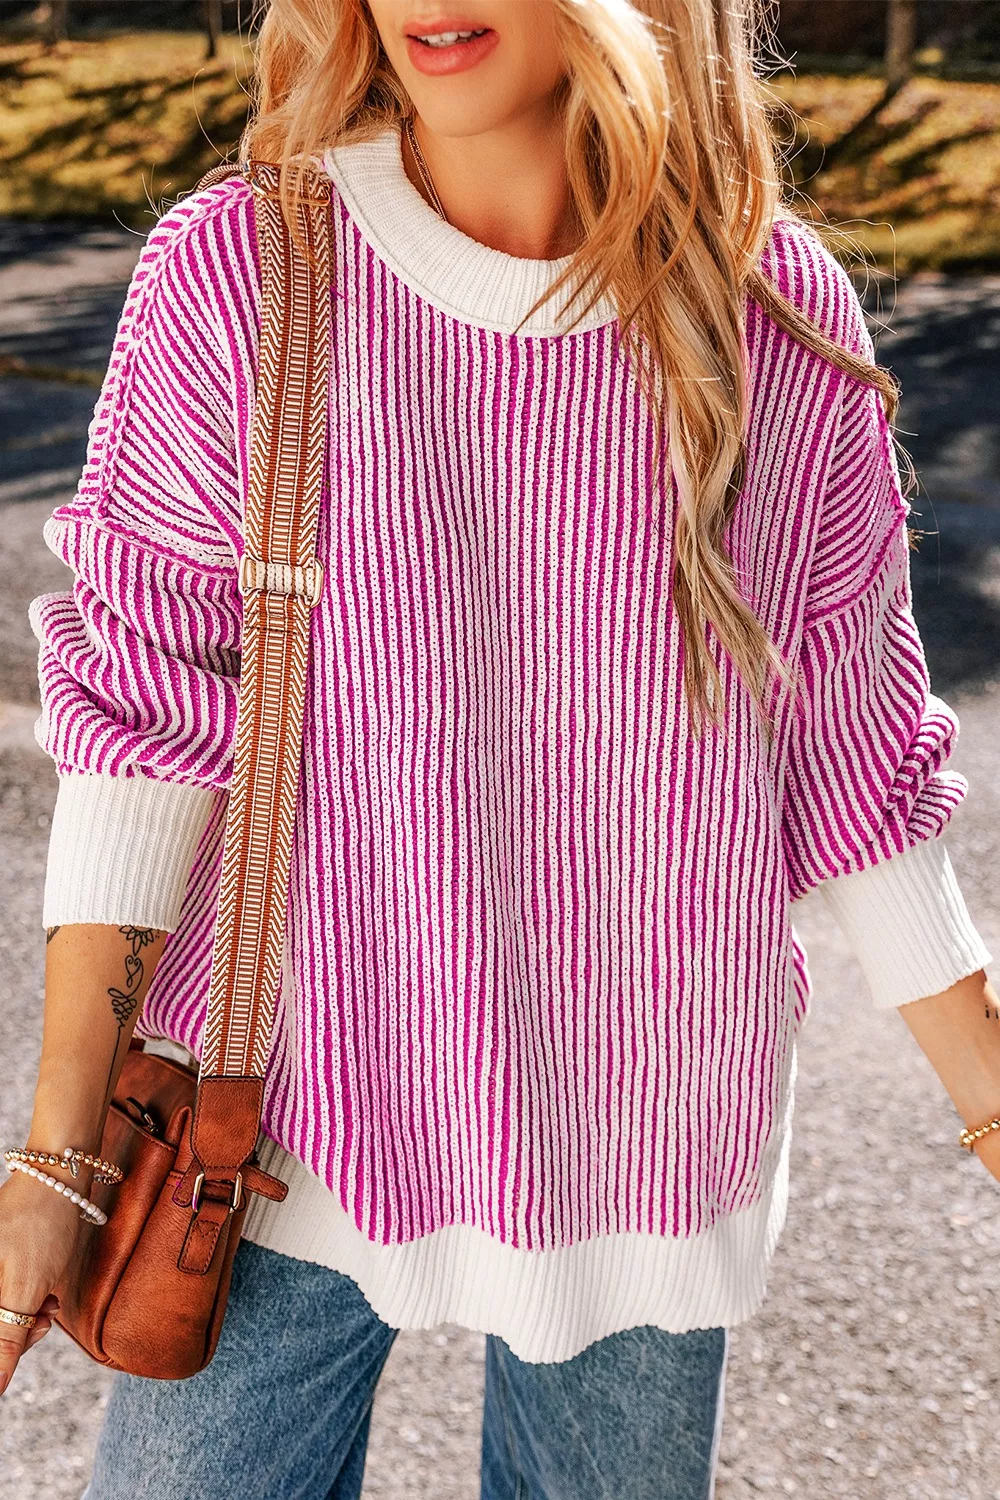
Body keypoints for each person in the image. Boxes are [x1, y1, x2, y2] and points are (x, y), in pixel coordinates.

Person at [1, 1, 996, 1496]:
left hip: (653, 1133)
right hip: (278, 1125)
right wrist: (56, 1157)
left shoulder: (767, 312)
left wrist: (990, 1100)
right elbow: (140, 722)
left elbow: (855, 760)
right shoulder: (246, 271)